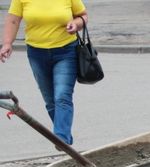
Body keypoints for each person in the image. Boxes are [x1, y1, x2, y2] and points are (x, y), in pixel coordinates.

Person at [1, 0, 88, 145]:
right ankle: (64, 138)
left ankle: (61, 137)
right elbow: (13, 20)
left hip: (66, 52)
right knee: (50, 101)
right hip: (36, 54)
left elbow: (83, 16)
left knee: (62, 96)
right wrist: (7, 43)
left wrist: (76, 24)